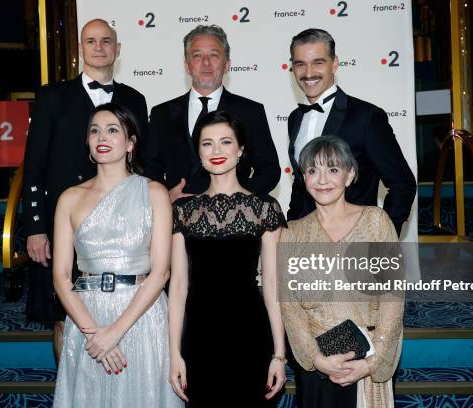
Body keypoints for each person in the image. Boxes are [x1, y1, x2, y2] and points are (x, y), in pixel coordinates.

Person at [22, 18, 148, 361]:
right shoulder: (52, 97)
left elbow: (141, 162)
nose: (99, 47)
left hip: (120, 229)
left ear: (117, 49)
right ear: (81, 49)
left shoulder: (135, 99)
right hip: (63, 225)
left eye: (106, 41)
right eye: (91, 41)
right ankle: (72, 387)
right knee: (63, 317)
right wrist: (35, 228)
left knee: (122, 310)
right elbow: (34, 166)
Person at [52, 103, 181, 407]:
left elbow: (161, 271)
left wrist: (116, 332)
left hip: (142, 315)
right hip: (87, 316)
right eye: (95, 131)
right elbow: (60, 275)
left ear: (131, 143)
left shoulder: (154, 193)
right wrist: (94, 333)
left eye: (113, 130)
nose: (102, 137)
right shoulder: (69, 198)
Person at [169, 111, 287, 406]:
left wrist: (279, 355)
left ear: (241, 150)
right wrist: (174, 354)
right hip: (199, 336)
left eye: (225, 142)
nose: (217, 151)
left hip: (250, 333)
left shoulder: (265, 209)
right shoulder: (183, 211)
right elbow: (178, 287)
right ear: (198, 153)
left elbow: (273, 286)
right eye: (207, 144)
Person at [279, 135, 404, 408]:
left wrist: (373, 362)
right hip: (317, 365)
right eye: (313, 170)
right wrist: (316, 359)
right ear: (303, 179)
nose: (322, 180)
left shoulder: (376, 222)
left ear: (350, 176)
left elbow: (393, 297)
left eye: (333, 169)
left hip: (368, 356)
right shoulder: (292, 234)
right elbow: (290, 309)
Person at [287, 28, 416, 235]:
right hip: (304, 243)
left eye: (318, 62)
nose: (308, 73)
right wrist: (291, 228)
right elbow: (301, 182)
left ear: (335, 64)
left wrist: (381, 239)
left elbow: (403, 184)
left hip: (353, 244)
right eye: (300, 64)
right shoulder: (295, 118)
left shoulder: (366, 117)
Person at [143, 24, 280, 202]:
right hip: (177, 218)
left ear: (227, 65)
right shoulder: (161, 113)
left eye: (214, 55)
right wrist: (164, 197)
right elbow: (150, 167)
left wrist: (240, 198)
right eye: (197, 55)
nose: (206, 62)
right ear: (187, 65)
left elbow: (269, 169)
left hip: (234, 219)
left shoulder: (250, 111)